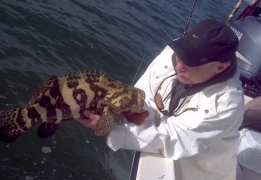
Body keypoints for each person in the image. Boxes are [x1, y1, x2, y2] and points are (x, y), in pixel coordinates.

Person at [76, 19, 244, 180]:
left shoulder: (227, 102)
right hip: (142, 145)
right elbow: (141, 96)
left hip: (198, 173)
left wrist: (110, 128)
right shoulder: (173, 53)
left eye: (191, 61)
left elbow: (173, 139)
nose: (178, 66)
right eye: (182, 54)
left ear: (220, 67)